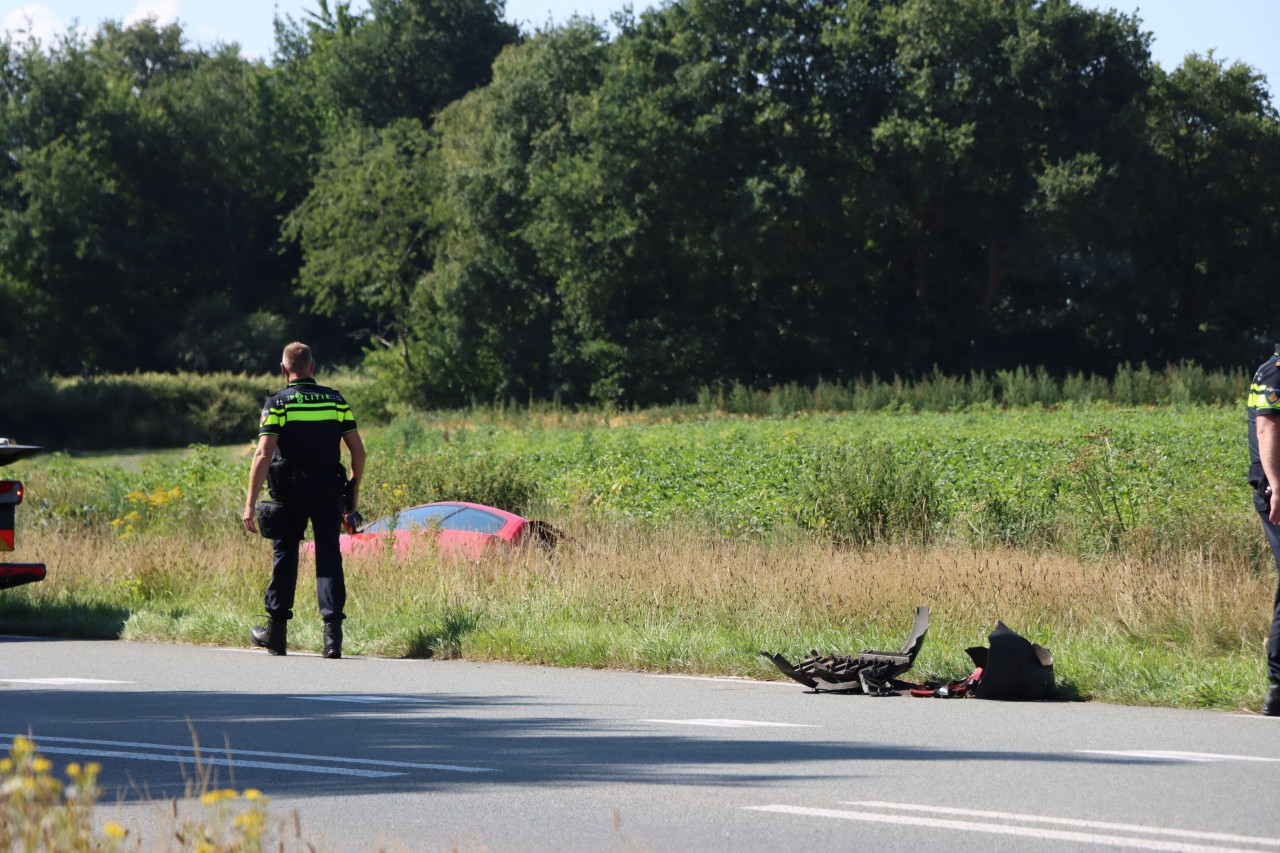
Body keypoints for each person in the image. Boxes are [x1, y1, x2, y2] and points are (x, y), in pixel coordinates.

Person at [242, 342, 365, 658]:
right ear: (312, 366)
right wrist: (353, 488)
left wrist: (250, 502)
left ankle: (277, 633)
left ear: (283, 370)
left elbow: (264, 453)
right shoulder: (336, 400)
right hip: (328, 489)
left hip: (291, 490)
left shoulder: (278, 403)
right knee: (329, 555)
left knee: (285, 554)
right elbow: (358, 451)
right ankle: (332, 637)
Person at [1247, 342, 1280, 715]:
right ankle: (1278, 684)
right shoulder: (1275, 372)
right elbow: (1267, 429)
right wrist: (1278, 488)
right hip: (1276, 494)